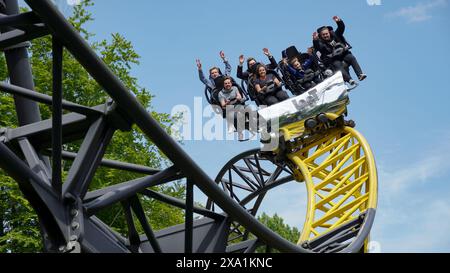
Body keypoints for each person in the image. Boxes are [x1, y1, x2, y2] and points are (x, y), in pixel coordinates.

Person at [313, 16, 366, 84]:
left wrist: (339, 21)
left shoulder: (336, 35)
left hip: (343, 54)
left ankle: (360, 75)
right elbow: (317, 46)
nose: (326, 35)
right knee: (337, 65)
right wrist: (315, 40)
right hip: (334, 59)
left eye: (326, 34)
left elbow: (341, 28)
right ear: (321, 36)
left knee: (351, 57)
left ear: (329, 32)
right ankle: (350, 80)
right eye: (323, 35)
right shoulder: (321, 43)